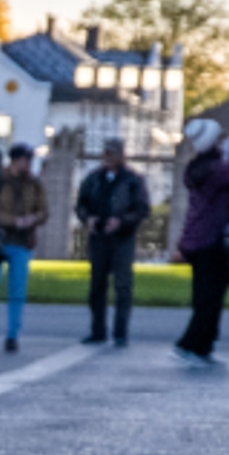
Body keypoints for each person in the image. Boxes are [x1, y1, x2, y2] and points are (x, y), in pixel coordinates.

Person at [171, 115, 229, 367]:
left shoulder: (199, 167)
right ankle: (191, 344)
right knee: (210, 297)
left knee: (207, 295)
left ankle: (202, 345)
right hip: (212, 240)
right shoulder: (215, 170)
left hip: (199, 239)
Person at [75, 136, 147, 344]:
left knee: (122, 286)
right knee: (97, 285)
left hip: (122, 239)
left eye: (113, 153)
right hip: (99, 238)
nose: (109, 157)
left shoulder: (133, 180)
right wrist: (87, 218)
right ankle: (98, 330)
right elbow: (82, 204)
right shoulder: (93, 179)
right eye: (107, 153)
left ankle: (120, 332)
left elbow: (141, 209)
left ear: (122, 155)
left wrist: (122, 221)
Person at [0, 142, 46, 351]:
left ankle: (12, 335)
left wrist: (33, 219)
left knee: (17, 291)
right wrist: (14, 221)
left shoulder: (34, 184)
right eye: (27, 160)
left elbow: (44, 210)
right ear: (16, 160)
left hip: (22, 241)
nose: (29, 164)